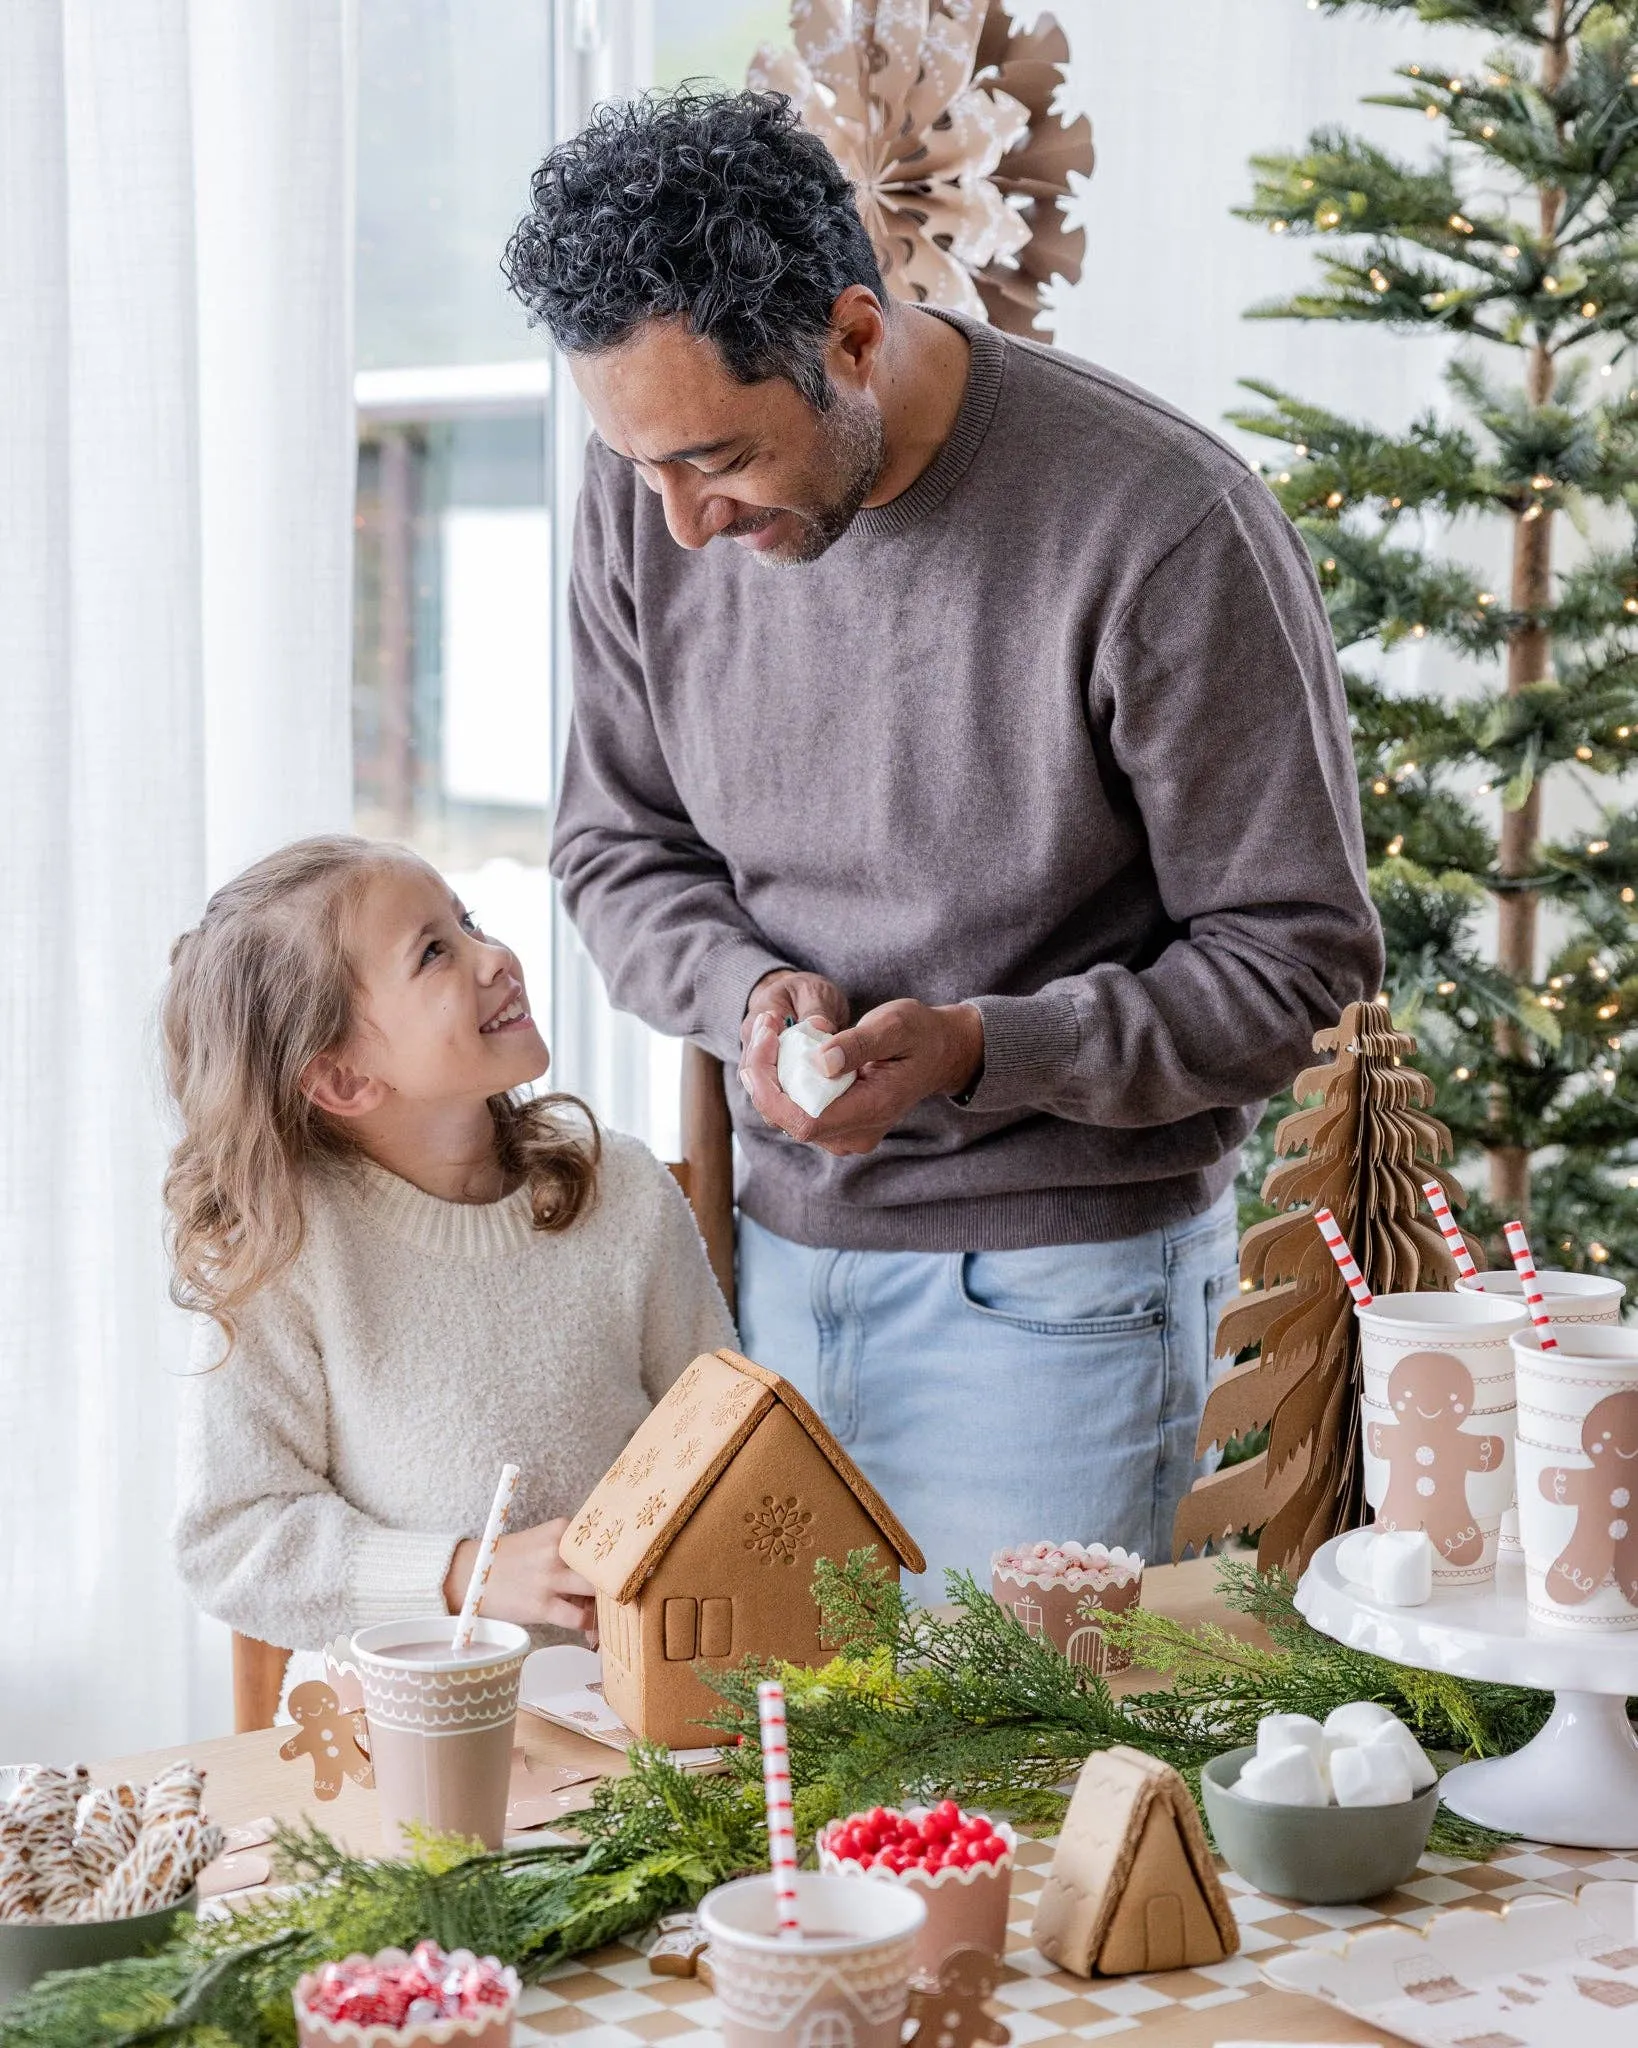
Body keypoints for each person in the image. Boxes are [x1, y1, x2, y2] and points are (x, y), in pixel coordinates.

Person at [503, 90, 1383, 1591]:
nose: (679, 526)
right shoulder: (648, 486)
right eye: (639, 467)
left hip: (1059, 1297)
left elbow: (1298, 963)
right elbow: (614, 847)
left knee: (1008, 1797)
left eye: (715, 460)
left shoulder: (1158, 525)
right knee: (791, 1790)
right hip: (761, 1272)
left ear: (852, 339)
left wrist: (987, 1049)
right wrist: (743, 993)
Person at [164, 835, 732, 1663]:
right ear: (346, 1079)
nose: (495, 957)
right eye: (436, 952)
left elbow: (727, 1447)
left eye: (468, 924)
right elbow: (231, 1541)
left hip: (636, 1737)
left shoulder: (628, 1195)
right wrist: (464, 1573)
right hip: (396, 1749)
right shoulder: (283, 1257)